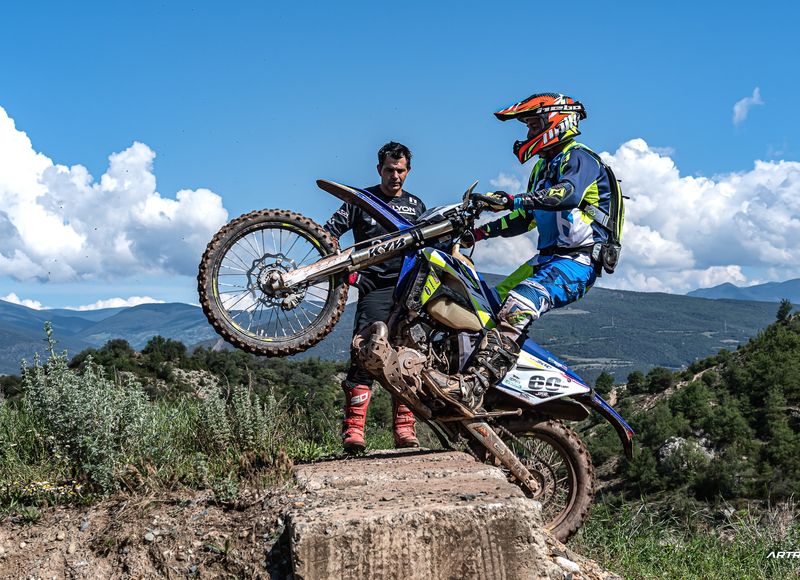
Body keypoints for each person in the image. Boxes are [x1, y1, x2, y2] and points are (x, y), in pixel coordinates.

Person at [445, 92, 622, 414]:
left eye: (532, 126)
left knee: (518, 305)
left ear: (554, 122)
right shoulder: (542, 166)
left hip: (577, 259)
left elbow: (565, 195)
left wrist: (512, 199)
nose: (527, 135)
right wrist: (479, 233)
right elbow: (525, 217)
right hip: (546, 259)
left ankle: (475, 385)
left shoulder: (580, 158)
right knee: (485, 305)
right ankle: (495, 382)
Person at [324, 142, 427, 453]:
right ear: (378, 169)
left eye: (400, 170)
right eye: (389, 170)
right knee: (366, 354)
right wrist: (346, 272)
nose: (395, 176)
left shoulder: (416, 205)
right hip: (374, 289)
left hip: (410, 290)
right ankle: (353, 432)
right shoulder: (362, 201)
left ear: (408, 171)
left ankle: (405, 430)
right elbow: (329, 231)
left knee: (408, 357)